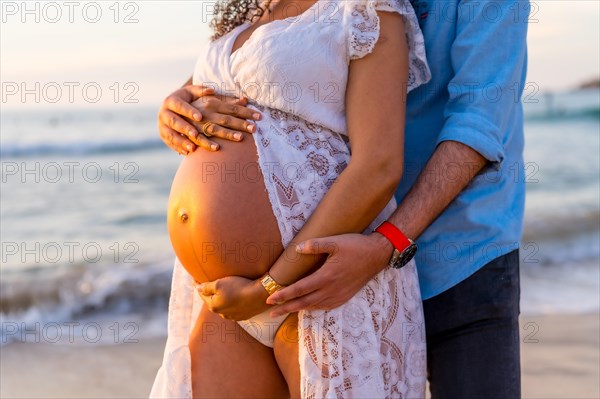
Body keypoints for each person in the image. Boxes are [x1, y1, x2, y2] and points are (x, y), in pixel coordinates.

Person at [158, 1, 529, 397]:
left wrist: (386, 243)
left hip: (454, 253)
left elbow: (477, 127)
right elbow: (258, 65)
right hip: (329, 250)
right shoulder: (272, 10)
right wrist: (180, 103)